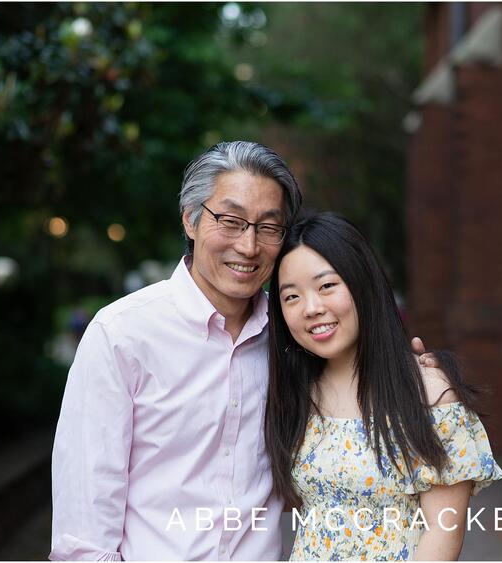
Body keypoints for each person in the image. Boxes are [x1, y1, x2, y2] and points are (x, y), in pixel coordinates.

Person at [50, 141, 436, 560]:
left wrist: (407, 372)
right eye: (231, 221)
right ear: (191, 221)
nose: (249, 246)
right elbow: (84, 530)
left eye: (269, 227)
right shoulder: (123, 334)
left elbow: (353, 385)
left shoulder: (295, 337)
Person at [265, 212, 502, 561]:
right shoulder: (299, 393)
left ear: (362, 284)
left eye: (327, 286)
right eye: (291, 297)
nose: (312, 308)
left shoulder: (428, 393)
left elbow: (443, 532)